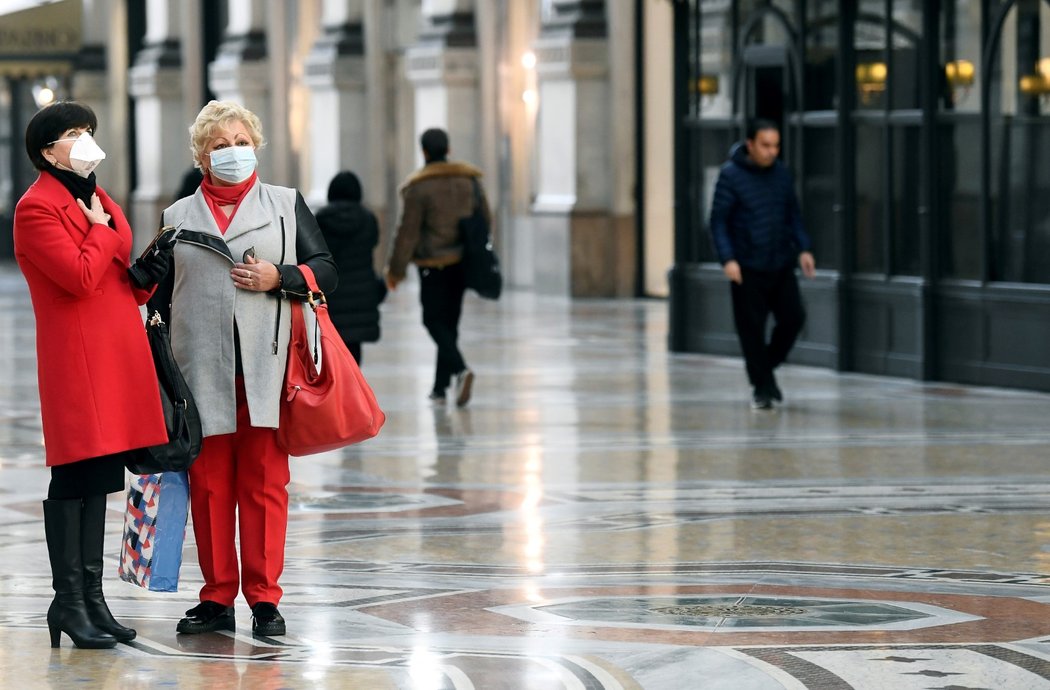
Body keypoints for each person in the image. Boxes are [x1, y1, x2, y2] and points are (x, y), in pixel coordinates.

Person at [153, 100, 337, 637]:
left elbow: (326, 268)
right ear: (202, 157)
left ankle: (263, 598)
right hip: (200, 372)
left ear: (254, 145)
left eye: (239, 140)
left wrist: (279, 276)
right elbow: (158, 295)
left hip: (267, 369)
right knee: (208, 487)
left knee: (263, 485)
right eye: (219, 144)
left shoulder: (285, 204)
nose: (231, 151)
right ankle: (216, 597)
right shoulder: (177, 217)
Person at [13, 101, 171, 649]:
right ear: (46, 150)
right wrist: (102, 232)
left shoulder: (94, 194)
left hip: (115, 351)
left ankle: (93, 600)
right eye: (73, 133)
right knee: (74, 474)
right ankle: (68, 603)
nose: (85, 140)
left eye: (88, 130)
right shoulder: (36, 209)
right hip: (77, 358)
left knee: (102, 476)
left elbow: (111, 272)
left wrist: (147, 277)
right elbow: (80, 276)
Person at [709, 118, 816, 410]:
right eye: (766, 145)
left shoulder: (781, 174)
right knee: (751, 329)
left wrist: (804, 248)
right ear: (751, 145)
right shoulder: (731, 176)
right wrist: (728, 259)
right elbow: (718, 221)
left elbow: (792, 213)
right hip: (746, 267)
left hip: (780, 262)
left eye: (776, 146)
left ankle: (764, 369)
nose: (771, 152)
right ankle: (762, 388)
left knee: (793, 318)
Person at [385, 128, 490, 407]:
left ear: (425, 152)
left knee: (433, 320)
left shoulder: (419, 187)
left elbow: (407, 232)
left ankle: (460, 369)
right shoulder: (470, 181)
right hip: (461, 263)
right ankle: (440, 387)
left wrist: (395, 270)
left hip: (432, 265)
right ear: (449, 149)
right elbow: (485, 219)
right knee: (449, 325)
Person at [316, 170, 386, 364]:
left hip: (332, 296)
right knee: (354, 353)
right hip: (361, 294)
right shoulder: (368, 219)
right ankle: (353, 391)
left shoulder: (321, 220)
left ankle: (337, 392)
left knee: (331, 351)